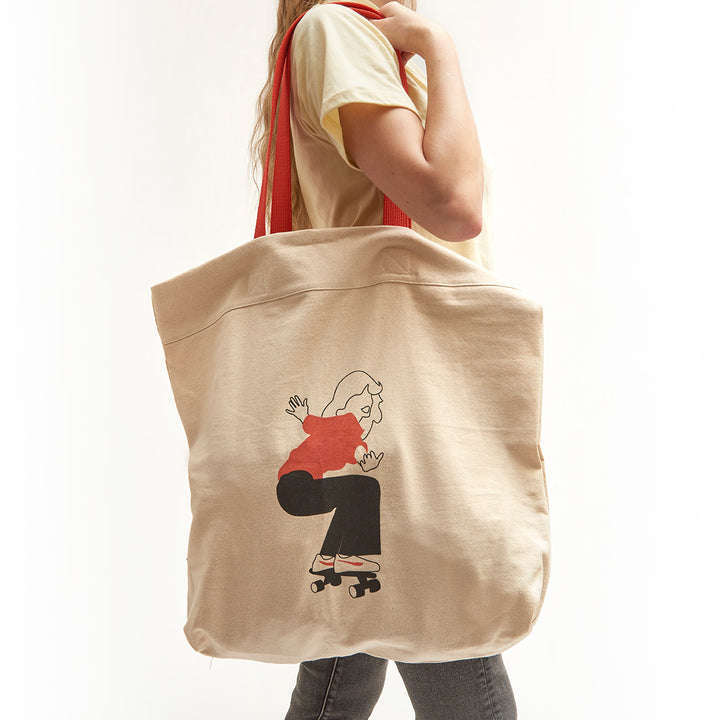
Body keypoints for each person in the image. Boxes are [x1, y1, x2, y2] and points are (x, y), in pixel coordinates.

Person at [249, 1, 515, 718]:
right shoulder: (337, 31)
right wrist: (439, 47)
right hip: (407, 395)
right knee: (448, 626)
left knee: (347, 653)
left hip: (394, 386)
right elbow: (452, 204)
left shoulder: (356, 38)